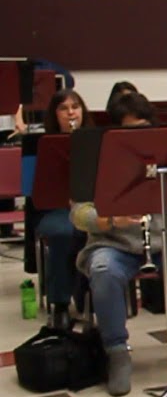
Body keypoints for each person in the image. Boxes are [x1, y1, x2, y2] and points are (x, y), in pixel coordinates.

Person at [71, 94, 167, 397]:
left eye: (143, 129)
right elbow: (78, 213)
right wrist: (111, 220)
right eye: (130, 131)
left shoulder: (166, 153)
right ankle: (117, 352)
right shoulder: (96, 159)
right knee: (103, 270)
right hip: (114, 242)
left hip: (164, 237)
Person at [33, 89, 95, 330]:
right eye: (63, 108)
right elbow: (38, 187)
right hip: (57, 209)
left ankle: (91, 298)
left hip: (90, 206)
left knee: (101, 231)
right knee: (62, 234)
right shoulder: (45, 144)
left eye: (75, 106)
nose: (71, 112)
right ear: (54, 114)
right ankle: (60, 305)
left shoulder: (95, 140)